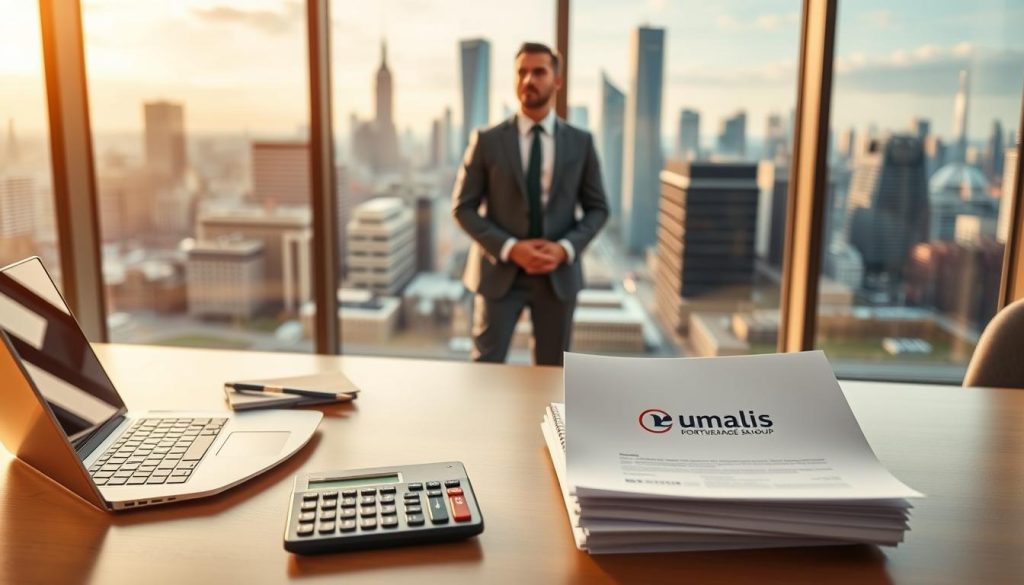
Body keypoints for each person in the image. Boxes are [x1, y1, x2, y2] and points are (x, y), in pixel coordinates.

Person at [452, 42, 609, 366]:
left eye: (539, 72)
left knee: (552, 374)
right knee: (486, 368)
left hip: (557, 277)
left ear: (557, 81)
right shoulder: (487, 140)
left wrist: (565, 248)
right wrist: (511, 247)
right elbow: (462, 207)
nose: (528, 80)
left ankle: (545, 422)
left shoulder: (581, 142)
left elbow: (598, 208)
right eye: (522, 72)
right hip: (499, 272)